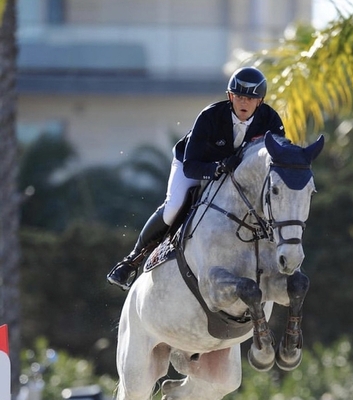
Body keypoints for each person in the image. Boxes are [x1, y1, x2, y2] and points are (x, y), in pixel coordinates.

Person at [107, 66, 286, 290]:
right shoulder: (210, 117)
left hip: (239, 175)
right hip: (194, 164)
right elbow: (191, 166)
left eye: (251, 98)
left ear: (260, 101)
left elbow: (277, 159)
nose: (244, 103)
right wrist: (217, 169)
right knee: (174, 205)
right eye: (239, 96)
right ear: (230, 96)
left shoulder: (271, 121)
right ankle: (132, 260)